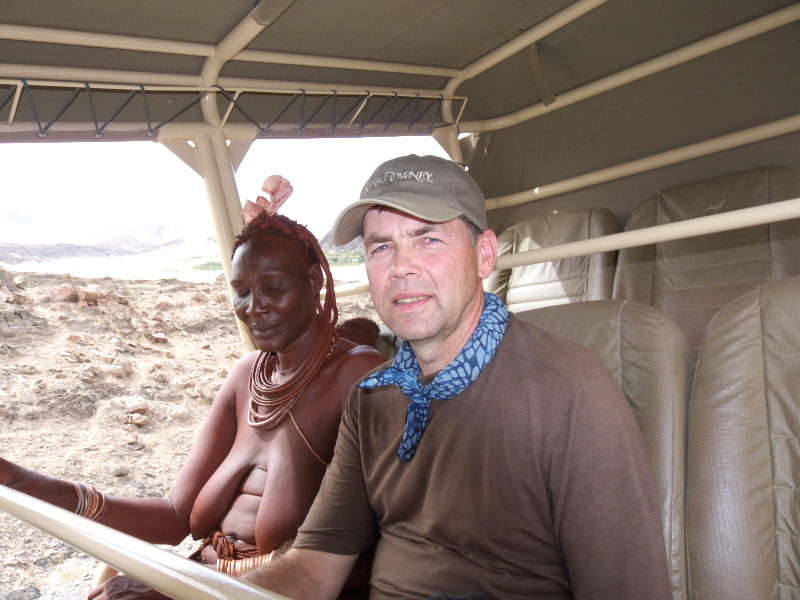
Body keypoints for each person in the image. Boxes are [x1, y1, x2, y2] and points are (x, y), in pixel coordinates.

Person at [240, 155, 673, 600]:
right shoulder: (370, 399)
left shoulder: (572, 394)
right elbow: (313, 568)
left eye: (427, 239)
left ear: (484, 255)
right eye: (381, 247)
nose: (400, 267)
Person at [0, 175, 386, 599]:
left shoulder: (360, 375)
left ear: (314, 281)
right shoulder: (247, 375)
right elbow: (174, 516)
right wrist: (30, 484)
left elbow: (371, 546)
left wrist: (179, 590)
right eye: (241, 292)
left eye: (273, 288)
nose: (254, 308)